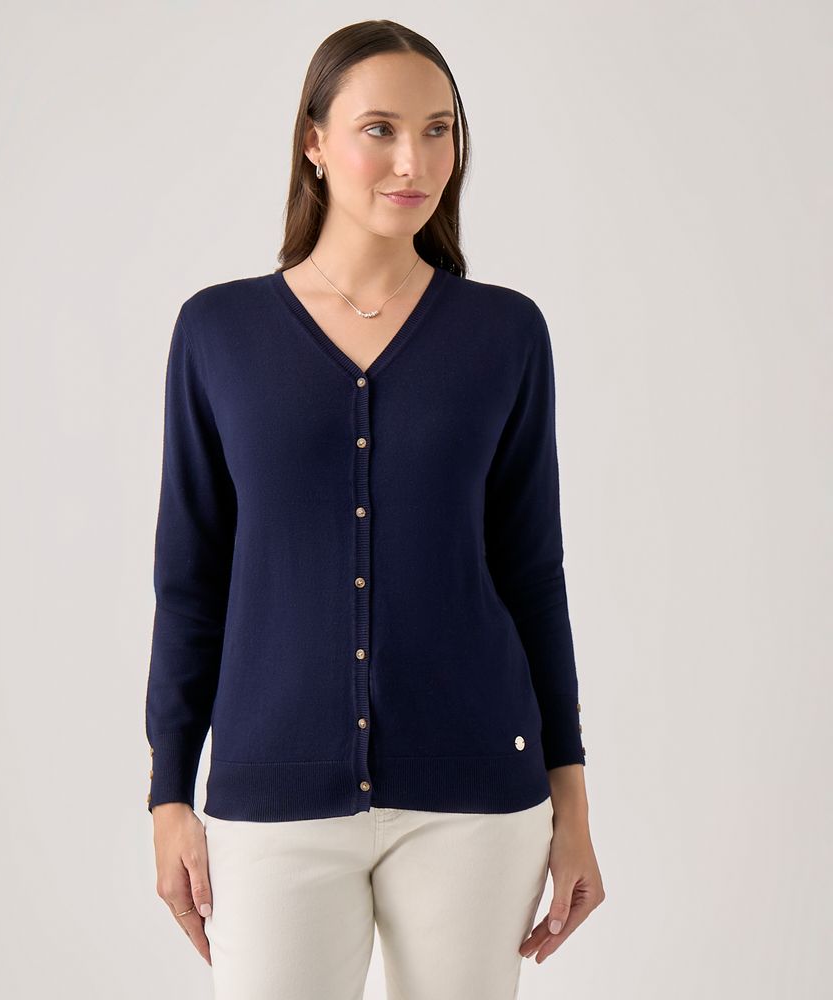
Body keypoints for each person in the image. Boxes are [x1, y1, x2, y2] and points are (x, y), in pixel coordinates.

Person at [145, 18, 605, 1000]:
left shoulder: (504, 333)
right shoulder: (219, 332)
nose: (414, 161)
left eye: (439, 131)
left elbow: (532, 574)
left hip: (476, 797)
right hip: (272, 795)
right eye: (380, 129)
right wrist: (168, 794)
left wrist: (572, 806)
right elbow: (191, 580)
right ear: (313, 142)